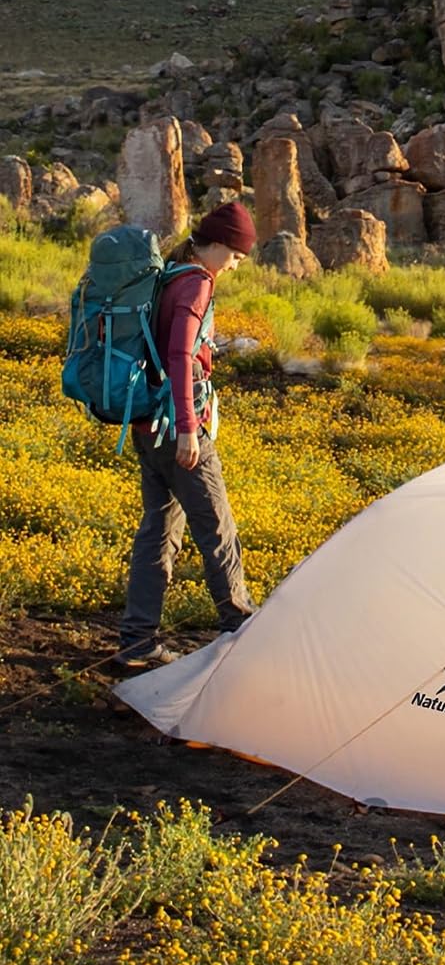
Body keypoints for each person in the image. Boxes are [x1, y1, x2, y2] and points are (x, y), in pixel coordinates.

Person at [116, 201, 258, 666]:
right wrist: (188, 430)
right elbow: (178, 355)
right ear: (217, 245)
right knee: (217, 528)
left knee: (158, 533)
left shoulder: (170, 274)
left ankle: (137, 642)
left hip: (147, 425)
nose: (235, 266)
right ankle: (241, 632)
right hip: (176, 428)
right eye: (235, 256)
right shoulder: (196, 282)